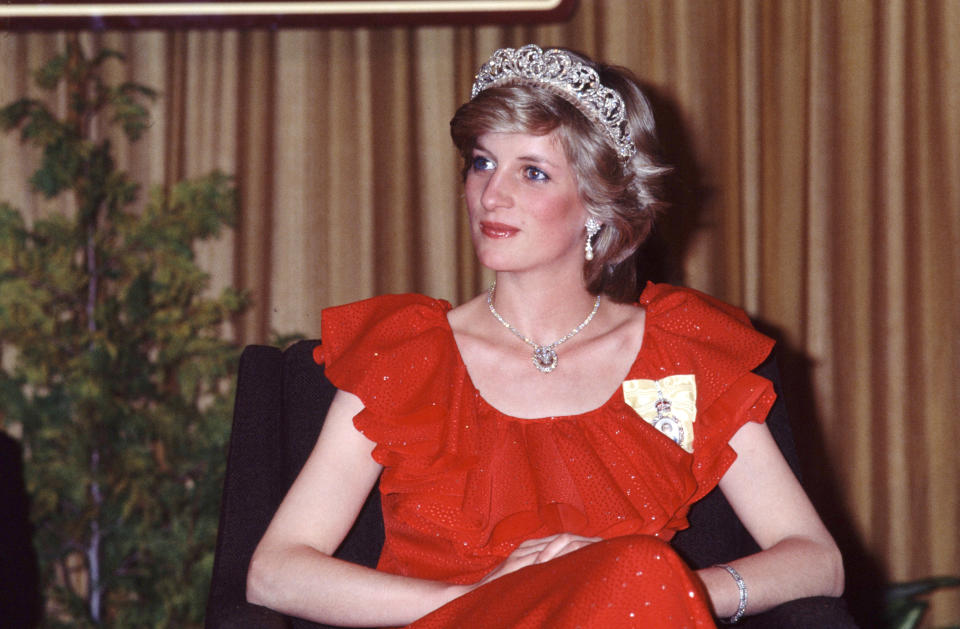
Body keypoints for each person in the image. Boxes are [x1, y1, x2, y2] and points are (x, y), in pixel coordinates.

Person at [246, 44, 844, 628]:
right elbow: (276, 572)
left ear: (597, 205)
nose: (491, 194)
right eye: (483, 162)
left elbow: (816, 559)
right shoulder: (408, 357)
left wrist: (661, 584)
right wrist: (472, 597)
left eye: (531, 172)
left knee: (636, 569)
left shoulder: (678, 356)